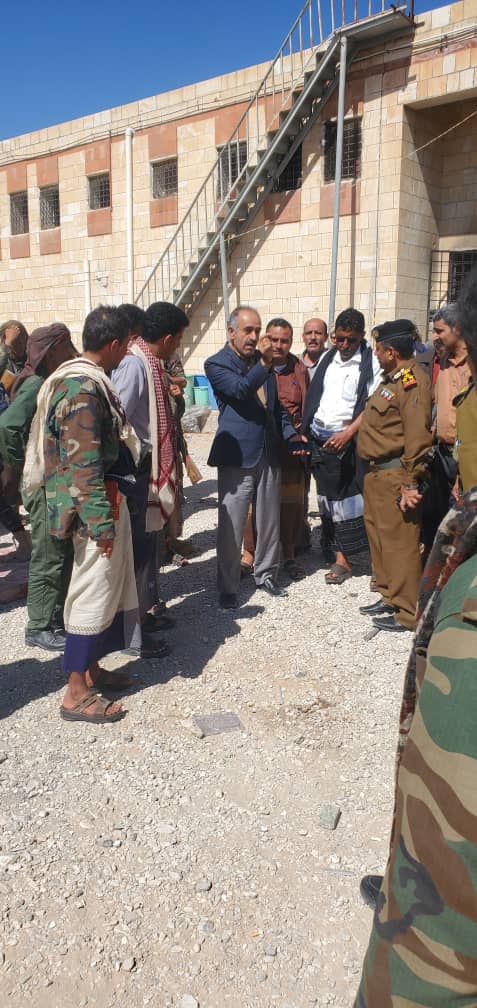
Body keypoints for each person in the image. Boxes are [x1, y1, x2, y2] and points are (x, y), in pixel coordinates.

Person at [23, 305, 141, 723]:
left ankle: (90, 671)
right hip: (93, 509)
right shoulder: (83, 390)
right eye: (125, 347)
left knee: (104, 591)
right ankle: (76, 692)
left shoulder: (79, 380)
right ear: (114, 344)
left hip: (98, 503)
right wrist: (101, 523)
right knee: (92, 592)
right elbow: (84, 464)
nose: (126, 354)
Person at [204, 305, 303, 609]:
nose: (254, 336)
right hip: (237, 454)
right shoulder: (217, 363)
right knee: (232, 525)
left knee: (269, 520)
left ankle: (267, 574)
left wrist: (292, 435)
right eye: (248, 330)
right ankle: (228, 586)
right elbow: (241, 390)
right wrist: (264, 362)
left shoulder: (263, 364)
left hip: (268, 452)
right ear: (231, 331)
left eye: (258, 330)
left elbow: (276, 408)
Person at [112, 301, 189, 651]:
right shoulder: (134, 364)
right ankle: (133, 635)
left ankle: (144, 615)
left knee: (148, 547)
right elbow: (119, 419)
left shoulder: (152, 363)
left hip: (149, 470)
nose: (179, 346)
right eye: (180, 339)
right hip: (137, 471)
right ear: (169, 338)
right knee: (137, 553)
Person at [0, 323, 78, 649]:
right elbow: (8, 426)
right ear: (52, 350)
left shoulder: (48, 379)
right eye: (66, 347)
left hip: (53, 482)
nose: (72, 352)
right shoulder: (36, 383)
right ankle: (39, 626)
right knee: (48, 555)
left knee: (60, 551)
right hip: (44, 485)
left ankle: (54, 619)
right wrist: (26, 465)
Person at [358, 319, 433, 632]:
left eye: (378, 349)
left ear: (391, 351)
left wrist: (410, 482)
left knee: (400, 544)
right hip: (376, 475)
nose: (375, 354)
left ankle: (407, 611)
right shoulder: (391, 379)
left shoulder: (411, 381)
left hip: (395, 476)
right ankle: (389, 596)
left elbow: (417, 436)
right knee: (380, 540)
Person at [301, 308, 381, 584]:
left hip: (349, 442)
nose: (344, 345)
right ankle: (339, 556)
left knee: (352, 502)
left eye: (351, 340)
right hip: (321, 440)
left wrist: (348, 434)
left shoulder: (370, 363)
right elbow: (318, 397)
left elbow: (372, 405)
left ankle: (361, 562)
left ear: (361, 336)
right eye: (340, 338)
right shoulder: (328, 358)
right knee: (328, 501)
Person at [242, 318, 309, 580]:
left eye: (284, 341)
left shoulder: (299, 369)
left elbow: (306, 405)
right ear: (265, 339)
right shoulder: (252, 365)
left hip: (290, 447)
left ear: (291, 342)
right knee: (253, 503)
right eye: (274, 339)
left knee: (290, 503)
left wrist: (300, 438)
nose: (278, 345)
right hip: (259, 445)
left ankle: (288, 554)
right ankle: (249, 553)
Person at [300, 317, 328, 382]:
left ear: (326, 337)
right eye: (309, 333)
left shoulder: (333, 363)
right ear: (303, 337)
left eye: (318, 333)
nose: (313, 337)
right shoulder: (294, 364)